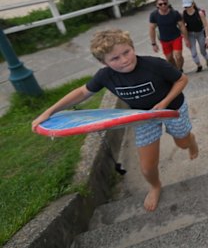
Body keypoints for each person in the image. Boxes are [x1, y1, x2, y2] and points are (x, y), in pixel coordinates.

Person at [31, 29, 199, 212]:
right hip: (142, 117)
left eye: (126, 52)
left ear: (132, 47)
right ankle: (155, 186)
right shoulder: (105, 76)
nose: (124, 60)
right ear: (104, 62)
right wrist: (49, 112)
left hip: (172, 108)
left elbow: (182, 80)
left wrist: (164, 103)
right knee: (146, 167)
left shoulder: (155, 64)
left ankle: (191, 141)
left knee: (182, 143)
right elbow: (81, 93)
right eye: (115, 58)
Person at [149, 0, 190, 71]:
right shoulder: (154, 15)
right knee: (169, 58)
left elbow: (182, 26)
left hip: (176, 37)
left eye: (165, 3)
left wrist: (186, 39)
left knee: (178, 56)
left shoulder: (175, 13)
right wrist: (153, 44)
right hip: (164, 40)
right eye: (160, 4)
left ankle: (180, 70)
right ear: (157, 5)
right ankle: (175, 70)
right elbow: (152, 29)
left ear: (168, 3)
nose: (163, 5)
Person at [182, 0, 208, 72]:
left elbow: (206, 25)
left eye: (188, 6)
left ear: (192, 4)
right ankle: (199, 65)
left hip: (200, 33)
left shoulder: (199, 13)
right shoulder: (184, 14)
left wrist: (207, 38)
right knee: (193, 53)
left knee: (203, 50)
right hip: (190, 34)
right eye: (185, 7)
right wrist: (186, 39)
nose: (187, 8)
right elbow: (183, 28)